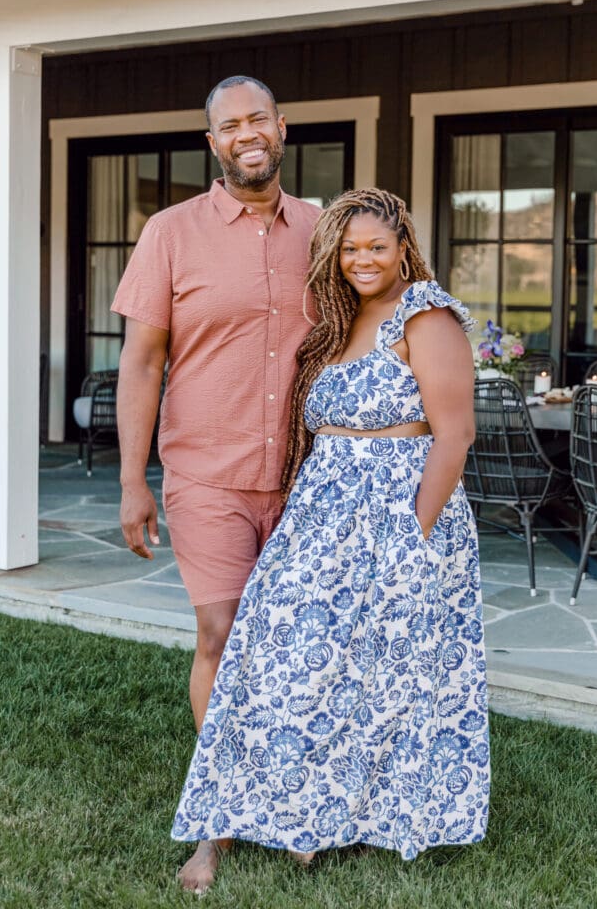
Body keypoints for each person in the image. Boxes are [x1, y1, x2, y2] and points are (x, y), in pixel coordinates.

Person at [172, 187, 490, 872]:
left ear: (403, 246)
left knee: (379, 680)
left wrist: (413, 536)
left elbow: (454, 435)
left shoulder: (424, 315)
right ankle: (266, 814)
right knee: (279, 656)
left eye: (376, 247)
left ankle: (327, 819)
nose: (362, 260)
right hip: (321, 519)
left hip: (397, 518)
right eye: (349, 249)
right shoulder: (340, 319)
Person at [110, 76, 320, 891]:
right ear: (213, 143)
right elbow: (142, 361)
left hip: (309, 474)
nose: (246, 134)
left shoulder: (325, 229)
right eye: (229, 126)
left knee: (301, 647)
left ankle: (299, 804)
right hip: (206, 470)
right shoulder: (170, 232)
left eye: (257, 119)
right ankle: (223, 817)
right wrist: (133, 481)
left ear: (280, 127)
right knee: (222, 634)